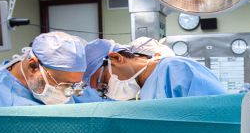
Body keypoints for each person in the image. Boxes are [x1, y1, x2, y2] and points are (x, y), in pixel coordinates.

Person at [0, 32, 87, 110]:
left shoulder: (64, 95)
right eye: (62, 84)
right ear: (33, 66)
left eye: (72, 85)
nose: (67, 93)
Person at [84, 37, 226, 101]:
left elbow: (218, 113)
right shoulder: (145, 92)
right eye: (102, 91)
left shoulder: (176, 70)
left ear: (116, 58)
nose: (108, 91)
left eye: (103, 82)